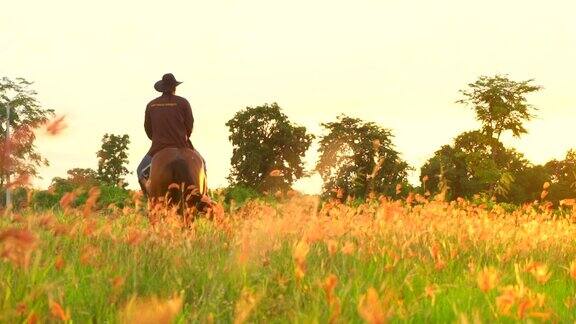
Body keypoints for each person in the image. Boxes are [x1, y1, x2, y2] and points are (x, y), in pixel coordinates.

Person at [137, 73, 194, 194]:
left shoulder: (151, 105)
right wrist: (183, 138)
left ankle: (150, 201)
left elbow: (148, 129)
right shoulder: (183, 102)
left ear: (162, 88)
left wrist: (157, 139)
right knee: (202, 164)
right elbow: (190, 126)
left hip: (158, 148)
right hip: (182, 146)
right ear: (175, 87)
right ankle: (203, 199)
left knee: (141, 171)